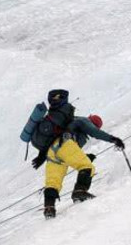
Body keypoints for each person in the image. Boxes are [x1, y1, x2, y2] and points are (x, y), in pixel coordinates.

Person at [30, 90, 124, 219]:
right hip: (63, 145)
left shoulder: (72, 123)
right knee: (87, 167)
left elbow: (71, 153)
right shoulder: (84, 121)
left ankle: (49, 208)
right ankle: (80, 192)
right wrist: (113, 139)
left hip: (52, 152)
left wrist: (84, 156)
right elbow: (94, 133)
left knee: (53, 182)